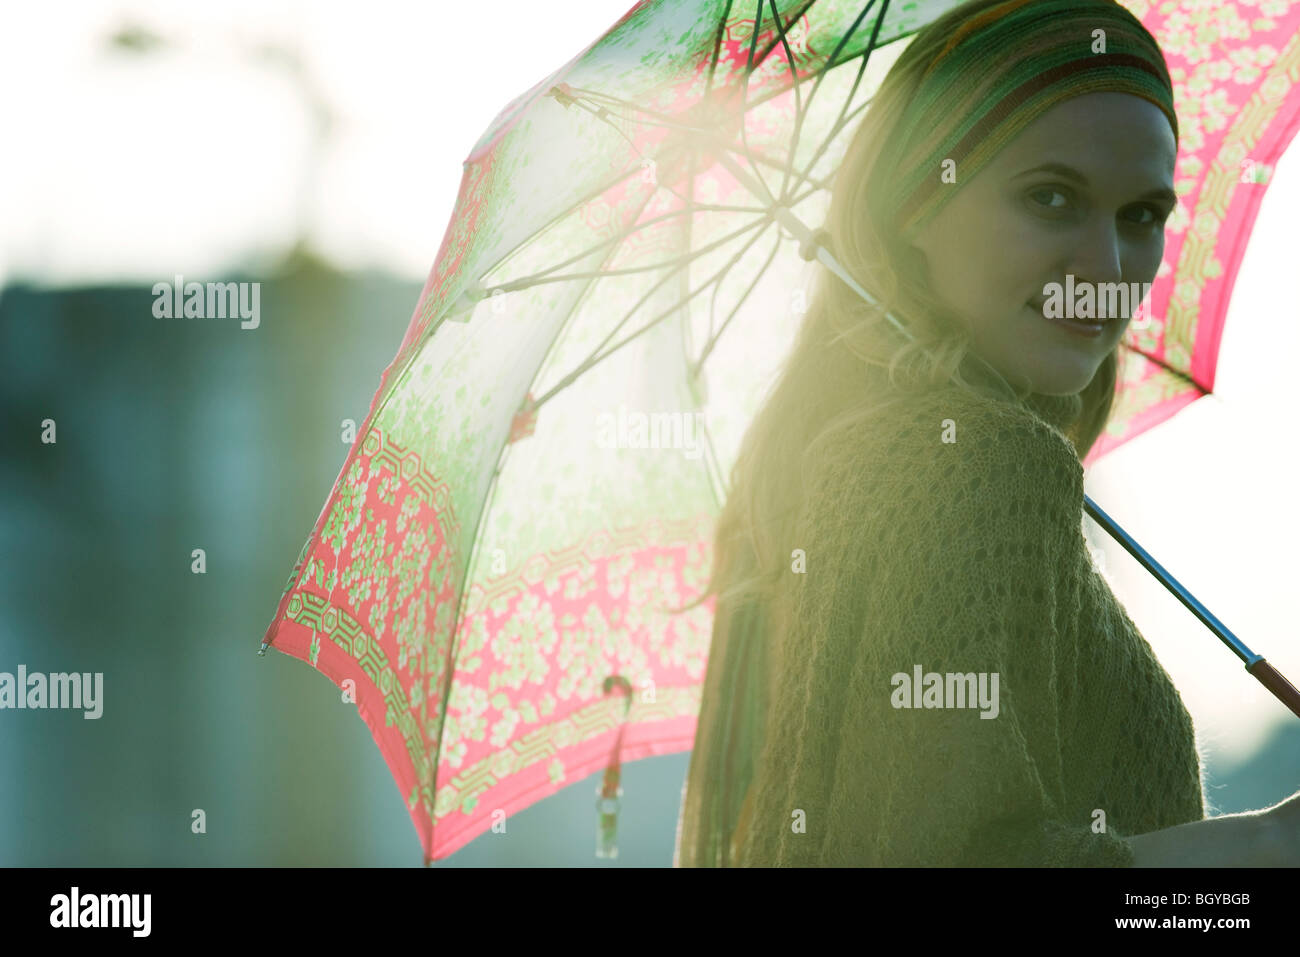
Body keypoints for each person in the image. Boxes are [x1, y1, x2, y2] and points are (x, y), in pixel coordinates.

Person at [672, 0, 1298, 867]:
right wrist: (1270, 842)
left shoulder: (843, 467)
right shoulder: (982, 462)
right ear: (916, 207)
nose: (1108, 272)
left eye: (1142, 216)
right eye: (1052, 198)